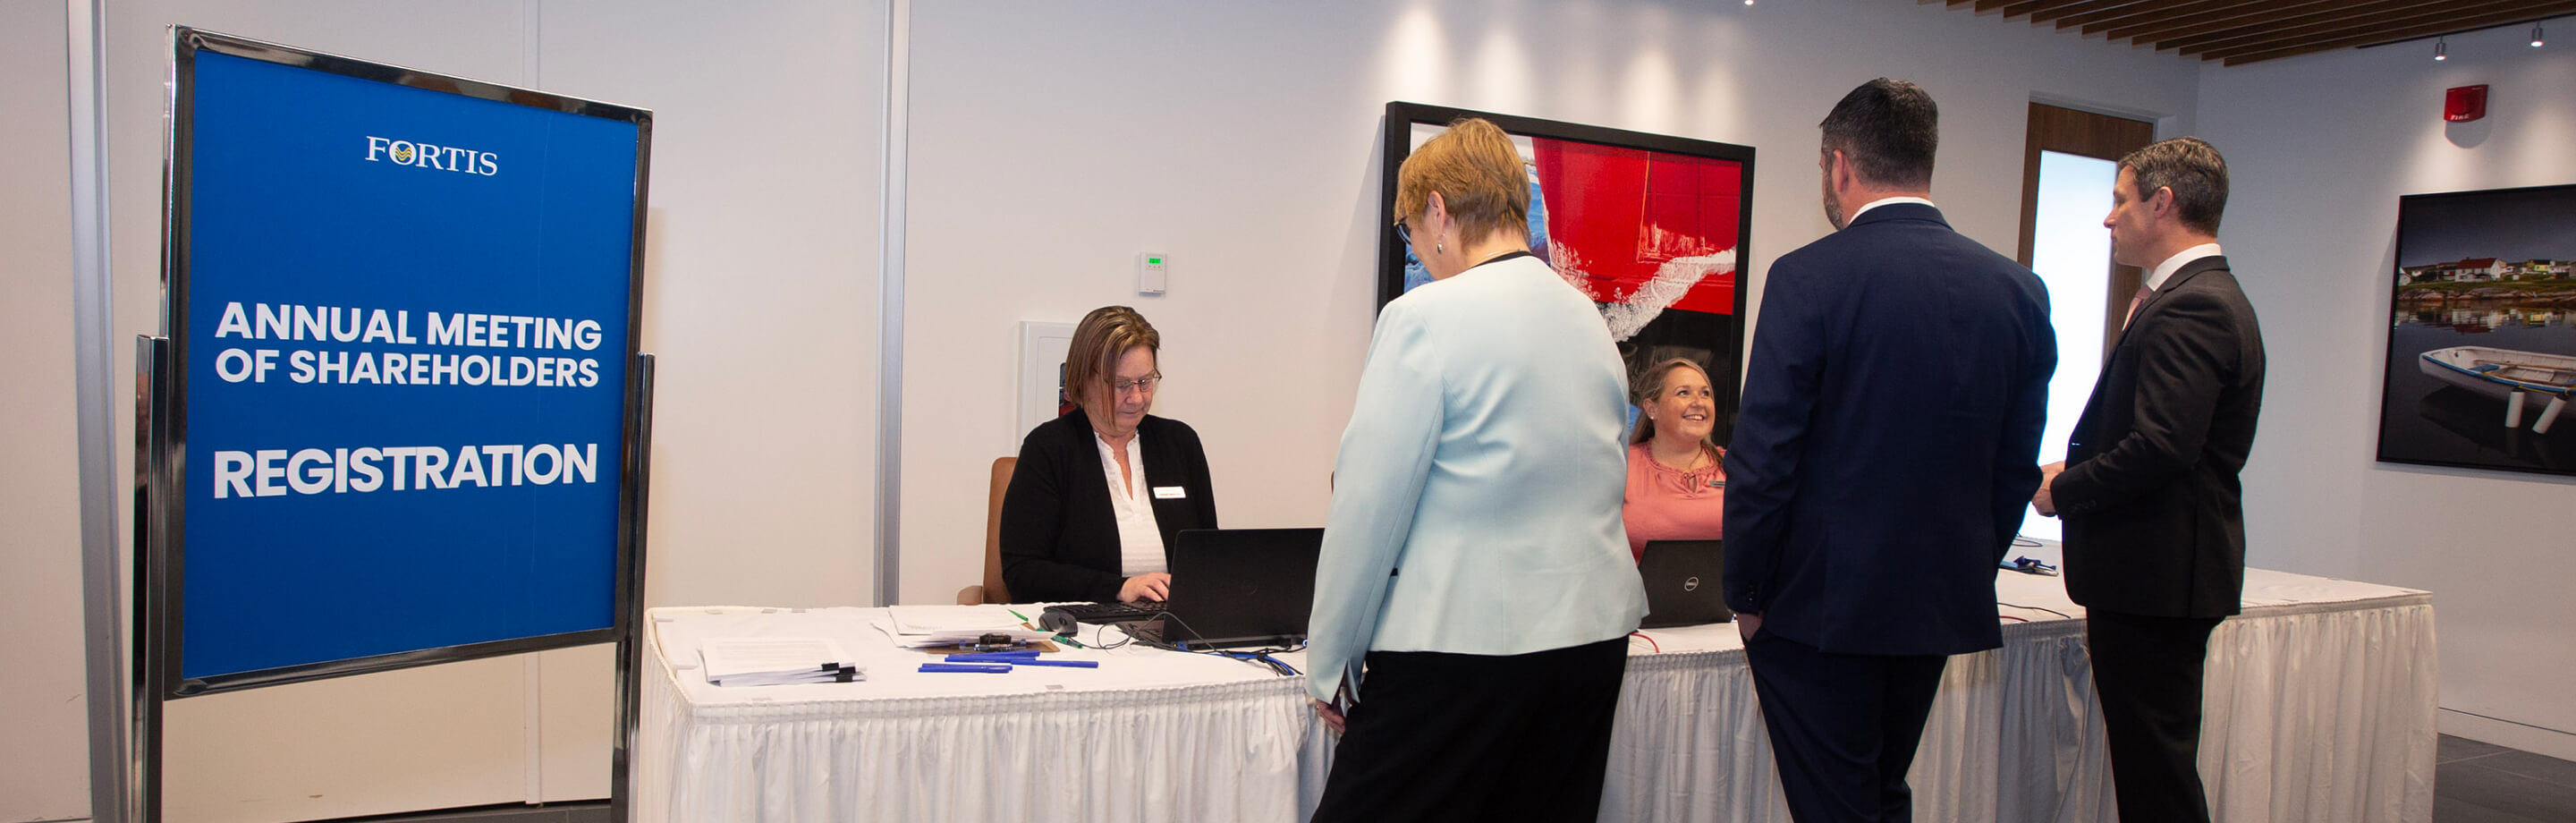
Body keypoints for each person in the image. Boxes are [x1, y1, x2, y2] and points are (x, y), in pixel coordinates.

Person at [1722, 78, 2055, 823]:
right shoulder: (2018, 290)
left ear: (1840, 164)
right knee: (1878, 790)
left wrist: (1745, 594)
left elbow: (1765, 456)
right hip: (1935, 601)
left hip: (1817, 610)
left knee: (1842, 801)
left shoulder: (1809, 278)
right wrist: (1967, 560)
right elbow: (2013, 467)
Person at [1306, 116, 1647, 823]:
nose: (1420, 252)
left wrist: (1330, 659)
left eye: (1411, 231)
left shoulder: (1423, 318)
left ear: (1437, 210)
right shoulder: (1590, 320)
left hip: (1459, 645)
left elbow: (1370, 506)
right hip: (1588, 641)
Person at [2033, 136, 2264, 823]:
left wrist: (2064, 489)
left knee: (2156, 778)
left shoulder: (2195, 305)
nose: (2108, 219)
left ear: (2162, 204)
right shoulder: (2196, 296)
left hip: (2155, 579)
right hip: (2159, 575)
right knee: (2150, 771)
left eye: (2119, 200)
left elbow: (2162, 446)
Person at [997, 306, 1217, 604]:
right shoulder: (1048, 448)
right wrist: (1119, 587)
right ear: (1082, 380)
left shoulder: (1180, 443)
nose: (1136, 397)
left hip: (1171, 627)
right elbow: (1023, 574)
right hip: (1084, 627)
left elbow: (1208, 555)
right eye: (1121, 384)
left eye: (1145, 381)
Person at [1623, 356, 1727, 562]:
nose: (1699, 402)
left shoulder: (1734, 467)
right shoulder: (1623, 465)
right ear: (1652, 408)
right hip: (1639, 594)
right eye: (1684, 393)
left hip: (1717, 595)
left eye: (1705, 394)